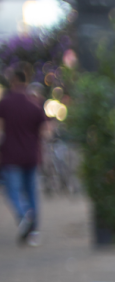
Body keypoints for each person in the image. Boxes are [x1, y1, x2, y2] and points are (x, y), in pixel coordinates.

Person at [0, 67, 48, 246]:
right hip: (31, 155)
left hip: (11, 155)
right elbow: (45, 132)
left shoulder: (5, 103)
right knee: (31, 193)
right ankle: (33, 232)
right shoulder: (33, 104)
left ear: (12, 82)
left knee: (12, 190)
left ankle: (23, 216)